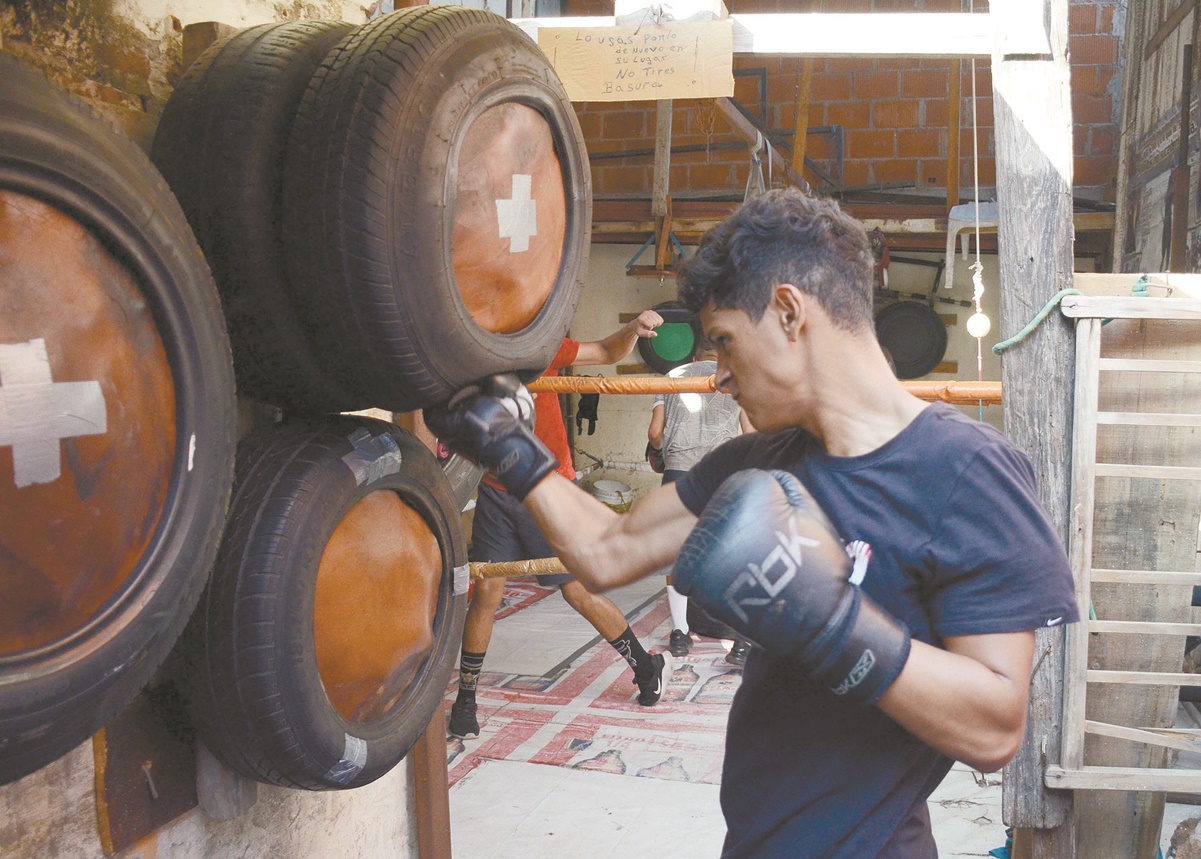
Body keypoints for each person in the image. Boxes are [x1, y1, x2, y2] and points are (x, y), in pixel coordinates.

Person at [427, 188, 1080, 856]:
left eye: (724, 343)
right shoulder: (756, 462)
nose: (718, 377)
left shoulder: (965, 471)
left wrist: (835, 623)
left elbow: (994, 729)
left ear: (789, 311)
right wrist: (512, 448)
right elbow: (604, 549)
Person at [447, 310, 675, 741]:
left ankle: (646, 668)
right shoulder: (473, 360)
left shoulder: (541, 350)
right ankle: (466, 700)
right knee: (488, 591)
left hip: (548, 488)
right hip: (497, 489)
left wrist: (632, 329)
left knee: (577, 589)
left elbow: (608, 351)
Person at [646, 344, 755, 664]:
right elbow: (749, 432)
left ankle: (680, 633)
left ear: (693, 357)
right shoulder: (735, 378)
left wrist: (662, 451)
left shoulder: (671, 376)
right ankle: (741, 641)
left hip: (678, 473)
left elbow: (655, 433)